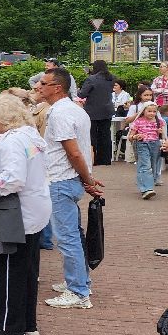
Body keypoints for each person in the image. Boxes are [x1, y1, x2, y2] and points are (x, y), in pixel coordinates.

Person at [0, 94, 51, 335]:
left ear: (5, 119)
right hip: (35, 208)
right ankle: (27, 322)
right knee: (27, 269)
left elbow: (13, 178)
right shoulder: (31, 136)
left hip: (17, 211)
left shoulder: (12, 141)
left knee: (8, 268)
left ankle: (10, 326)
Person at [38, 67, 103, 309]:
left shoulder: (60, 114)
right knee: (73, 234)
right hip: (69, 179)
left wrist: (87, 179)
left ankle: (78, 291)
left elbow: (74, 152)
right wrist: (88, 178)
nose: (39, 87)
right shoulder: (75, 111)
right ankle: (79, 281)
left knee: (67, 237)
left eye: (44, 83)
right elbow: (86, 149)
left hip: (60, 180)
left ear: (57, 87)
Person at [125, 96, 166, 199]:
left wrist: (160, 133)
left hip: (155, 144)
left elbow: (163, 136)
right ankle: (147, 189)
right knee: (145, 166)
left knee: (153, 166)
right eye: (149, 111)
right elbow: (130, 136)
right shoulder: (138, 122)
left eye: (154, 111)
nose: (152, 113)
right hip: (142, 144)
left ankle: (146, 185)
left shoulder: (158, 122)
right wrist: (136, 136)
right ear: (144, 111)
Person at [79, 60, 116, 166]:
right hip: (107, 110)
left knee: (92, 136)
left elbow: (82, 94)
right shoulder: (111, 78)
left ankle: (93, 159)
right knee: (105, 135)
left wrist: (77, 91)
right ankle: (105, 159)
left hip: (92, 111)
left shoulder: (91, 79)